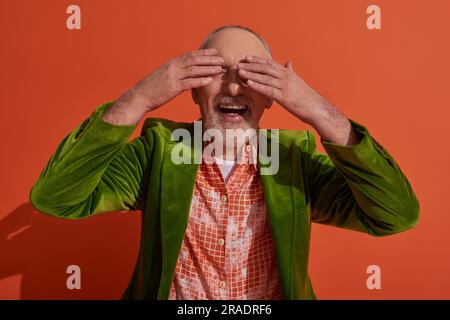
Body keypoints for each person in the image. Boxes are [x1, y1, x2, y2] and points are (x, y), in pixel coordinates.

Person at [29, 25, 419, 300]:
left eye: (251, 74)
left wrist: (322, 113)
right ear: (193, 89)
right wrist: (138, 99)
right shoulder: (159, 151)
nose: (233, 86)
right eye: (215, 72)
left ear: (272, 96)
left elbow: (394, 215)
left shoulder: (293, 160)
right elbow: (57, 198)